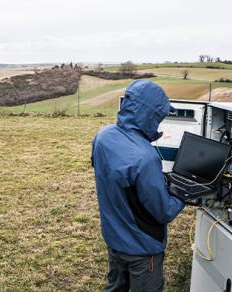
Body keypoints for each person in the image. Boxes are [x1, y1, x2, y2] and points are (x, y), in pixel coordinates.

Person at [91, 80, 185, 291]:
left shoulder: (103, 136)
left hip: (114, 237)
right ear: (150, 116)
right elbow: (163, 212)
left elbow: (109, 172)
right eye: (159, 116)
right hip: (142, 248)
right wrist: (183, 194)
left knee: (116, 287)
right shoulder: (146, 157)